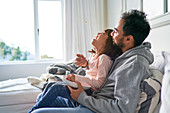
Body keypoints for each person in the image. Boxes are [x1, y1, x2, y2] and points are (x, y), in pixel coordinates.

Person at [31, 9, 153, 113]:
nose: (111, 34)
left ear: (128, 39)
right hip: (90, 102)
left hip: (93, 109)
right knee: (43, 98)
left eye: (115, 32)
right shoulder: (123, 55)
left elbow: (123, 109)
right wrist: (86, 65)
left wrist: (82, 97)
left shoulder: (134, 64)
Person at [28, 29, 122, 113]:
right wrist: (86, 65)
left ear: (108, 43)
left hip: (89, 93)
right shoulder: (95, 56)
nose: (98, 33)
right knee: (50, 85)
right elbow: (93, 72)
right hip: (85, 89)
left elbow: (100, 83)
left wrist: (77, 78)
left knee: (56, 88)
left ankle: (32, 111)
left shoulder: (104, 59)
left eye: (103, 33)